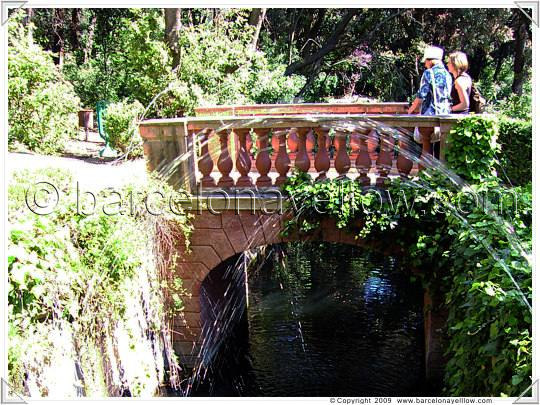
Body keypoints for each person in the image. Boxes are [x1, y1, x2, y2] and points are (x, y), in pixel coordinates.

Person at [407, 45, 453, 158]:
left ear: (430, 61)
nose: (425, 64)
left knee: (426, 145)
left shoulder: (429, 73)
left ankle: (425, 174)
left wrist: (411, 110)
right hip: (445, 114)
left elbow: (421, 95)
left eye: (426, 61)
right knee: (441, 149)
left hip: (431, 114)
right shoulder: (448, 74)